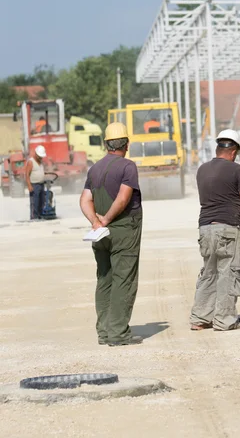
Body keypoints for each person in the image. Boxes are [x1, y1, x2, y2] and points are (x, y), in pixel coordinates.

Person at [190, 129, 240, 331]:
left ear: (218, 148)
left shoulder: (202, 169)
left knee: (209, 273)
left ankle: (200, 318)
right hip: (228, 228)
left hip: (205, 229)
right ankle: (224, 320)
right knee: (229, 273)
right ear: (234, 152)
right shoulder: (236, 170)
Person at [79, 122, 143, 347]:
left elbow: (84, 200)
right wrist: (106, 219)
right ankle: (118, 334)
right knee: (123, 280)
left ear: (106, 144)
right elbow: (124, 198)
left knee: (104, 279)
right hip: (123, 231)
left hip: (100, 235)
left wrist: (96, 222)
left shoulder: (94, 169)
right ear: (126, 144)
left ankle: (104, 332)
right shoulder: (128, 166)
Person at [26, 145, 47, 220]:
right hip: (34, 185)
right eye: (39, 156)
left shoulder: (40, 162)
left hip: (41, 184)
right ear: (36, 154)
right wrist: (29, 185)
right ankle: (34, 217)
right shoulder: (31, 162)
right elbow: (27, 174)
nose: (40, 157)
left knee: (42, 201)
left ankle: (40, 215)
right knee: (35, 202)